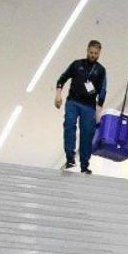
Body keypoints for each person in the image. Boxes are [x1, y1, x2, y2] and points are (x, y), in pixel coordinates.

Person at [55, 40, 107, 174]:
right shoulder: (76, 64)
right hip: (73, 101)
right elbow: (62, 78)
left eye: (96, 53)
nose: (93, 55)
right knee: (69, 125)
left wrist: (99, 111)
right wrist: (58, 95)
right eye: (91, 52)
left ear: (99, 53)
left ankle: (84, 165)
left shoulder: (101, 70)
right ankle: (70, 158)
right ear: (87, 50)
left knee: (87, 134)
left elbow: (102, 90)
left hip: (89, 106)